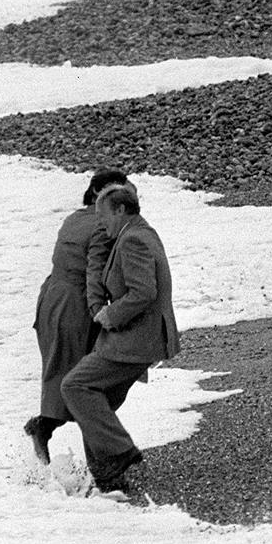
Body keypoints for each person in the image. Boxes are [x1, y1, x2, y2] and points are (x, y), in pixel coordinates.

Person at [61, 185, 180, 497]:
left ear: (120, 210)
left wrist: (110, 316)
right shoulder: (140, 233)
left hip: (134, 340)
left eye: (104, 216)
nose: (102, 224)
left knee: (76, 386)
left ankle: (120, 454)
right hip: (142, 338)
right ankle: (107, 481)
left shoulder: (133, 240)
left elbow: (144, 292)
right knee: (96, 403)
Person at [24, 169, 131, 465]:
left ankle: (47, 429)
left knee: (63, 375)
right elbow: (95, 274)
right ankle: (104, 464)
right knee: (88, 383)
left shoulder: (73, 218)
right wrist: (108, 310)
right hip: (75, 305)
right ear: (99, 192)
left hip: (51, 299)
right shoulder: (101, 224)